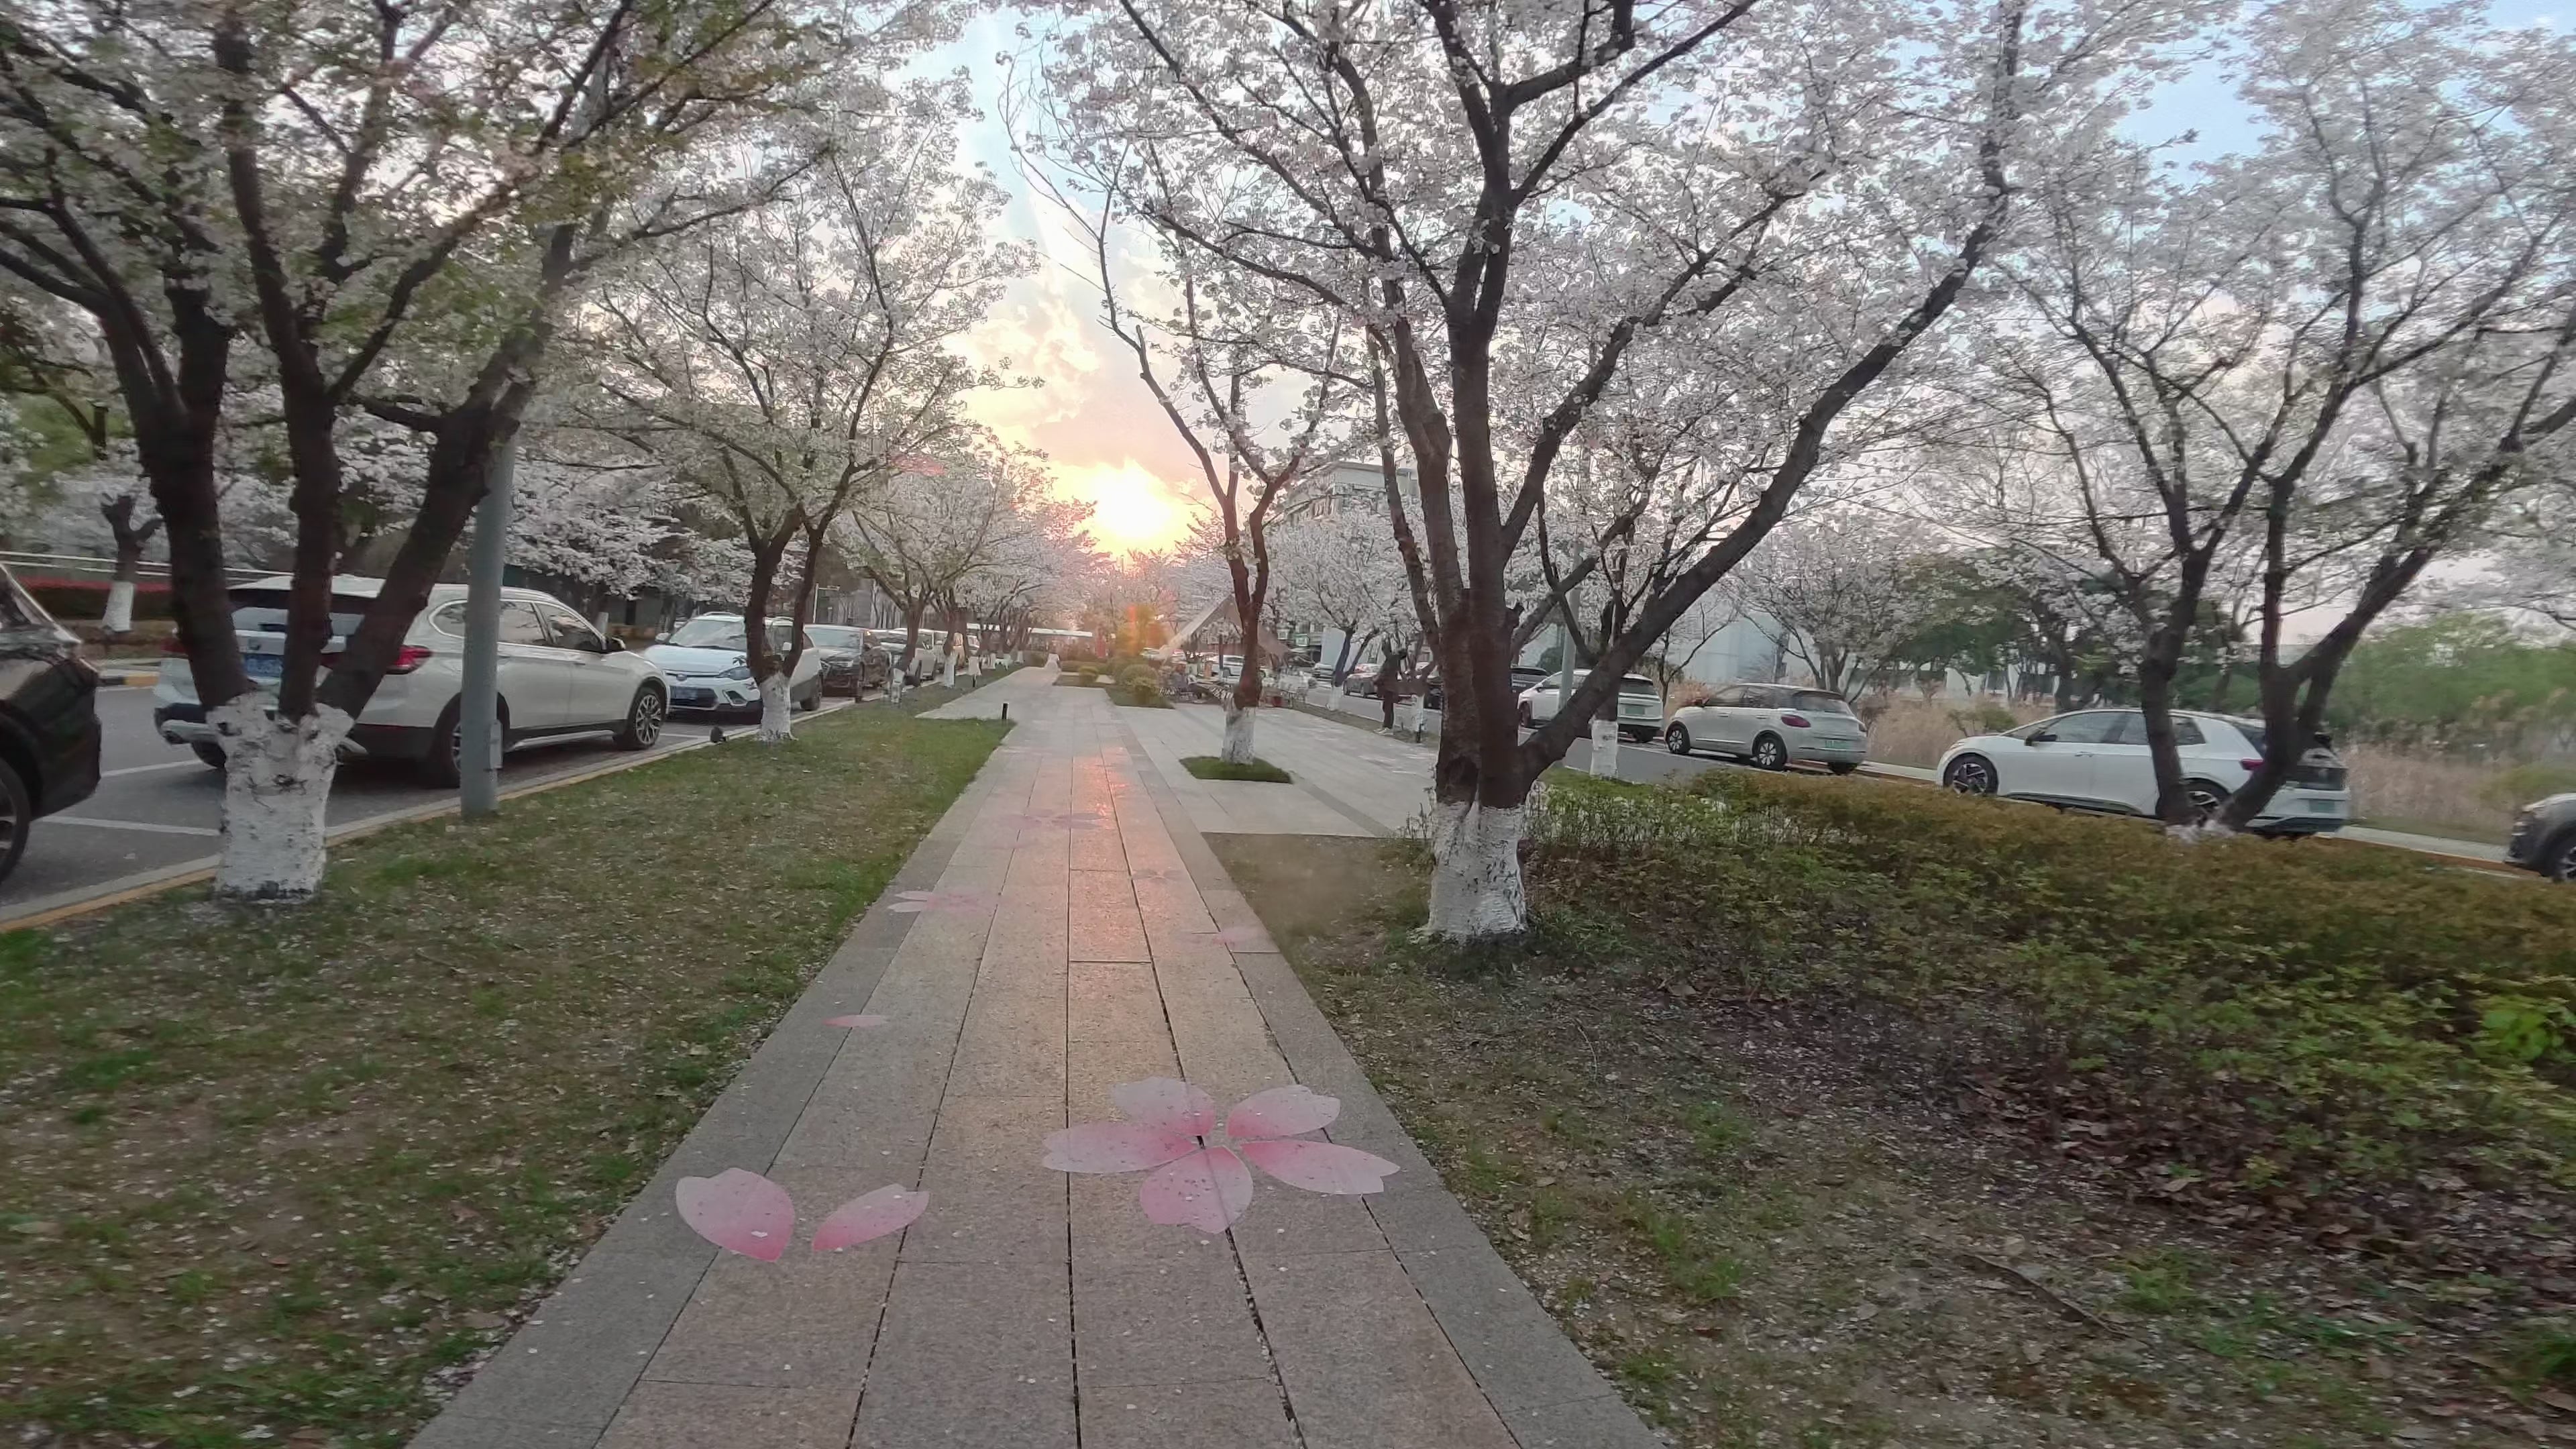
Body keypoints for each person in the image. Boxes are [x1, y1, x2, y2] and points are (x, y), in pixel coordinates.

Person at [1375, 645, 1406, 733]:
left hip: (1389, 687)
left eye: (1398, 649)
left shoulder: (1394, 658)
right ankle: (1386, 726)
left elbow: (1385, 650)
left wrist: (1385, 639)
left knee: (1388, 707)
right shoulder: (1396, 660)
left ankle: (1388, 728)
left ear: (1399, 652)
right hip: (1390, 687)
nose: (1395, 649)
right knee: (1387, 707)